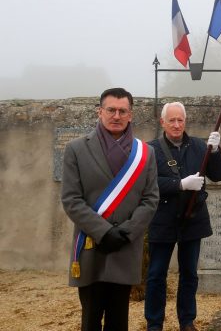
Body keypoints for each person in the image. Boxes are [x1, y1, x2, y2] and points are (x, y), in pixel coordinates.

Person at [61, 87, 160, 331]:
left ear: (130, 115)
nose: (116, 116)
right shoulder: (76, 148)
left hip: (125, 245)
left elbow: (150, 199)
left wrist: (126, 232)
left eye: (122, 111)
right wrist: (104, 232)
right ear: (100, 111)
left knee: (119, 320)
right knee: (91, 318)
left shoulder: (145, 153)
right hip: (91, 244)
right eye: (111, 110)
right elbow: (71, 199)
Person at [145, 102, 221, 331]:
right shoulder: (151, 150)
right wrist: (179, 184)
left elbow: (218, 175)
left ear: (185, 121)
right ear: (163, 122)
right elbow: (148, 183)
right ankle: (154, 323)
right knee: (156, 275)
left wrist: (216, 151)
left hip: (193, 219)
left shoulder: (200, 147)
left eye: (180, 120)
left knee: (189, 273)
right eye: (172, 120)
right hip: (163, 219)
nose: (177, 124)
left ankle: (187, 320)